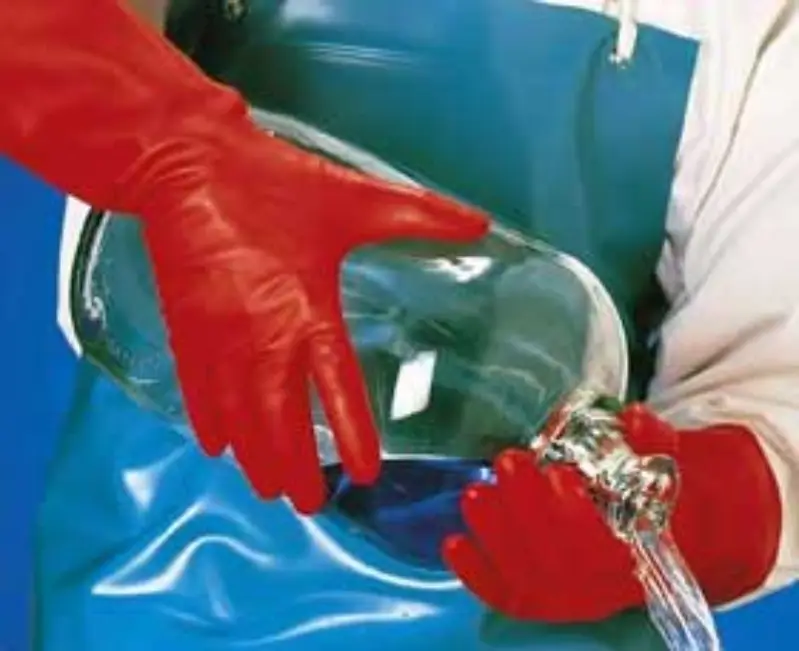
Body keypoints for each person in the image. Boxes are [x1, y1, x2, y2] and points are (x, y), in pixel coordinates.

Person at [6, 0, 799, 649]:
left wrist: (697, 514)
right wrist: (172, 150)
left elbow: (777, 398)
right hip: (162, 585)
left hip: (516, 618)